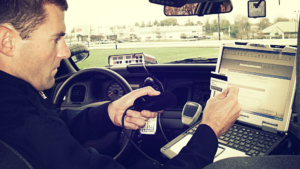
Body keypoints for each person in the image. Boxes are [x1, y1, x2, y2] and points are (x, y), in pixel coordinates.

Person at [0, 0, 241, 169]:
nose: (65, 52)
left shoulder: (14, 101)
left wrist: (109, 113)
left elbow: (55, 128)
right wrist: (210, 129)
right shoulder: (18, 118)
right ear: (6, 41)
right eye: (56, 38)